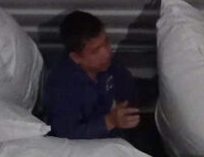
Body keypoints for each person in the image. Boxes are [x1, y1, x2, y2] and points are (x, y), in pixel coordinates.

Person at [43, 10, 141, 139]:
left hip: (112, 134)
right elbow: (66, 133)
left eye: (106, 42)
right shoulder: (63, 88)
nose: (107, 52)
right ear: (76, 57)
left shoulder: (108, 64)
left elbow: (129, 88)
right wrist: (109, 122)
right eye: (95, 51)